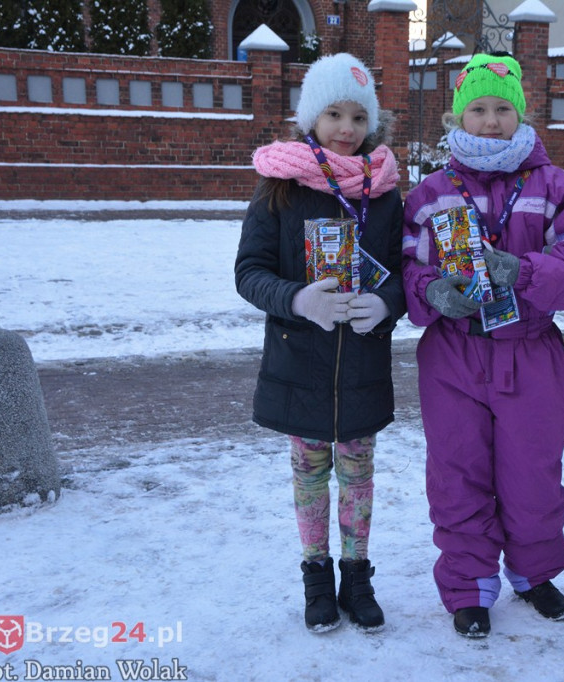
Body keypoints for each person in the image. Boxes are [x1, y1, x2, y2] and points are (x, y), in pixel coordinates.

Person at [401, 52, 564, 638]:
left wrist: (522, 270)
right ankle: (468, 586)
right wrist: (433, 289)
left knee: (533, 472)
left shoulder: (562, 188)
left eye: (502, 109)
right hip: (453, 356)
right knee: (456, 472)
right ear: (458, 117)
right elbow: (405, 268)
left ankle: (534, 573)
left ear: (521, 112)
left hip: (530, 352)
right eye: (479, 109)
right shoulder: (430, 195)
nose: (491, 121)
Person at [234, 53, 405, 634]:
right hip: (299, 362)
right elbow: (250, 272)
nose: (347, 128)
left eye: (359, 116)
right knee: (310, 472)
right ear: (311, 116)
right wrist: (298, 299)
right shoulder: (279, 187)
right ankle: (316, 576)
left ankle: (357, 578)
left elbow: (407, 273)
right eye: (334, 113)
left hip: (361, 363)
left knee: (357, 472)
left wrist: (387, 304)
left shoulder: (383, 192)